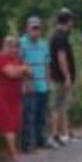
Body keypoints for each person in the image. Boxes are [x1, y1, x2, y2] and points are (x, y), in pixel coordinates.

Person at [0, 36, 30, 162]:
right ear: (4, 46)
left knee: (16, 124)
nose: (13, 49)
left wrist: (22, 71)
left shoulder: (16, 59)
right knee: (8, 126)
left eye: (15, 46)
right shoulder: (0, 58)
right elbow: (11, 73)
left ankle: (9, 151)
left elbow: (30, 72)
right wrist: (23, 69)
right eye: (10, 46)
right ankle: (14, 155)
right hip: (2, 97)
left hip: (15, 97)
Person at [19, 16, 54, 152]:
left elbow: (47, 64)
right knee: (29, 116)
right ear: (27, 29)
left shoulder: (44, 44)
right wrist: (25, 82)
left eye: (38, 29)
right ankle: (28, 144)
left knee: (42, 115)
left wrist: (48, 82)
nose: (35, 31)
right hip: (29, 85)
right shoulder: (21, 43)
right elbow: (20, 63)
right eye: (33, 28)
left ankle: (41, 140)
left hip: (42, 85)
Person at [48, 8, 78, 145]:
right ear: (68, 21)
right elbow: (61, 57)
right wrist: (67, 76)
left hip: (59, 77)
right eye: (72, 20)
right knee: (58, 106)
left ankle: (65, 133)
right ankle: (56, 135)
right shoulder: (59, 37)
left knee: (63, 106)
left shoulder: (59, 36)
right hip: (59, 78)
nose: (73, 23)